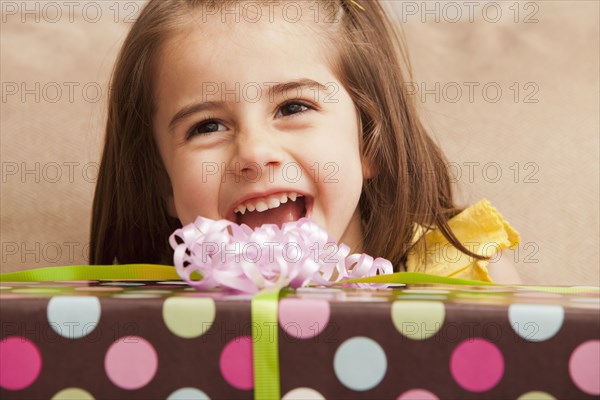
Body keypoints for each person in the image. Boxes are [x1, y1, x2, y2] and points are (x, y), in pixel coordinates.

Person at [89, 0, 521, 283]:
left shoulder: (464, 272)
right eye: (207, 127)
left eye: (293, 108)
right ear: (164, 184)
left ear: (370, 143)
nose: (255, 152)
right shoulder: (148, 320)